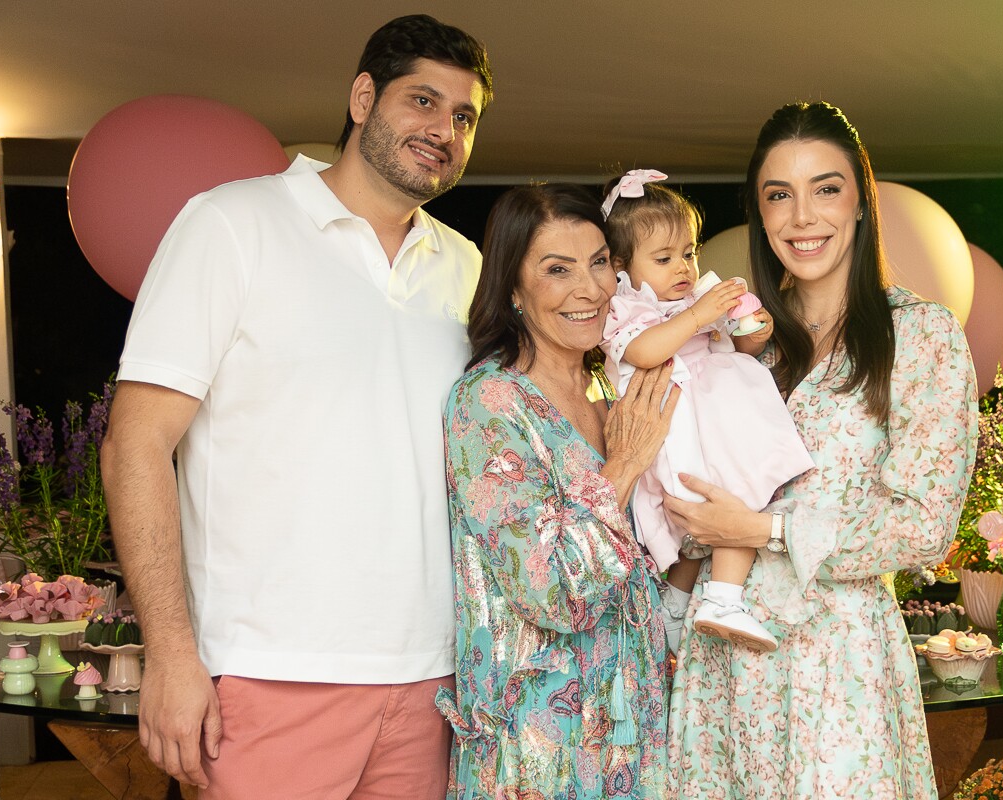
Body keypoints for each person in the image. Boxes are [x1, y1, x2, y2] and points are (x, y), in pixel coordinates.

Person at [99, 16, 492, 798]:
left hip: (434, 683)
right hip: (268, 675)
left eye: (464, 116)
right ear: (362, 96)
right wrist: (172, 654)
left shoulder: (467, 264)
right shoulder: (232, 223)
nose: (443, 130)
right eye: (422, 101)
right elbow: (135, 445)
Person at [664, 102, 978, 799]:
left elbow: (926, 526)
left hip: (839, 668)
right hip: (724, 667)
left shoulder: (920, 338)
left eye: (825, 188)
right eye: (780, 194)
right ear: (759, 212)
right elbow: (688, 488)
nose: (802, 216)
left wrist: (763, 530)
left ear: (861, 201)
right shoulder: (735, 345)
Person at [439, 183, 675, 800]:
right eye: (557, 270)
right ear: (513, 289)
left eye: (599, 262)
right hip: (543, 745)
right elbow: (548, 593)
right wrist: (622, 467)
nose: (590, 289)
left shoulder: (611, 385)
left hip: (634, 725)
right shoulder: (490, 404)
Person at [599, 170, 813, 652]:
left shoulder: (690, 302)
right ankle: (718, 597)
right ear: (619, 266)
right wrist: (697, 315)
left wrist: (748, 332)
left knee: (740, 499)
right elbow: (645, 352)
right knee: (720, 501)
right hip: (676, 430)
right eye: (664, 258)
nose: (683, 268)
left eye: (689, 253)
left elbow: (726, 343)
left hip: (712, 424)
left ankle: (692, 601)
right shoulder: (627, 310)